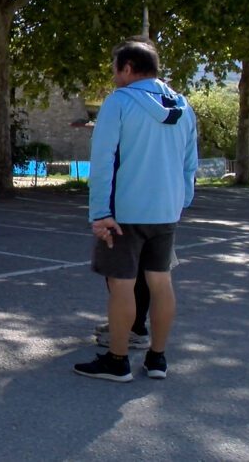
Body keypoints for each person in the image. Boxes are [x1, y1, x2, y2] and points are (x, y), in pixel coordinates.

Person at [74, 37, 198, 383]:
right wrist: (180, 201)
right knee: (160, 282)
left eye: (115, 69)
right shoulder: (183, 106)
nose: (114, 76)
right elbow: (190, 164)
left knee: (122, 284)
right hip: (166, 210)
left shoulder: (119, 102)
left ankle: (117, 361)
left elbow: (102, 162)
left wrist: (99, 213)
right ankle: (157, 358)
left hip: (124, 211)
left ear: (128, 68)